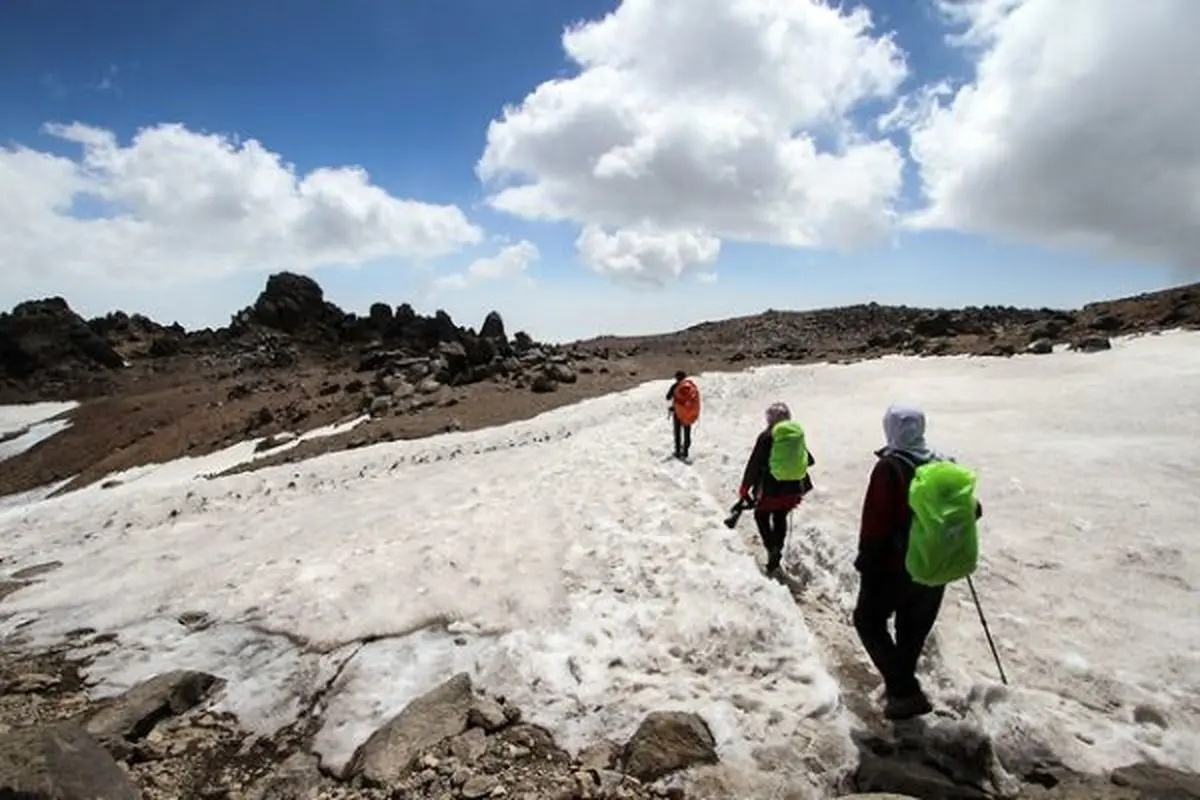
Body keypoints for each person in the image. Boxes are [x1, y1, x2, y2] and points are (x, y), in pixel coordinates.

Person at [852, 404, 983, 720]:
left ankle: (903, 691)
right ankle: (902, 687)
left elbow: (876, 521)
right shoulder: (943, 463)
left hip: (894, 567)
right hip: (936, 565)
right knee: (912, 630)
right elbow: (973, 510)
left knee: (867, 621)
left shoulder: (890, 468)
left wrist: (866, 562)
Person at [738, 402, 815, 577]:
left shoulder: (766, 436)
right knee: (780, 516)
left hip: (770, 489)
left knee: (761, 515)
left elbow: (754, 463)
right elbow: (809, 460)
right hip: (793, 489)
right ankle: (777, 549)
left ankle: (772, 548)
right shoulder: (795, 435)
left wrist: (745, 487)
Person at [666, 370, 700, 459]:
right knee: (687, 431)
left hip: (677, 412)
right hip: (688, 412)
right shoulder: (691, 386)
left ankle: (677, 451)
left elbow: (668, 397)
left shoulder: (675, 386)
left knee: (677, 432)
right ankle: (685, 451)